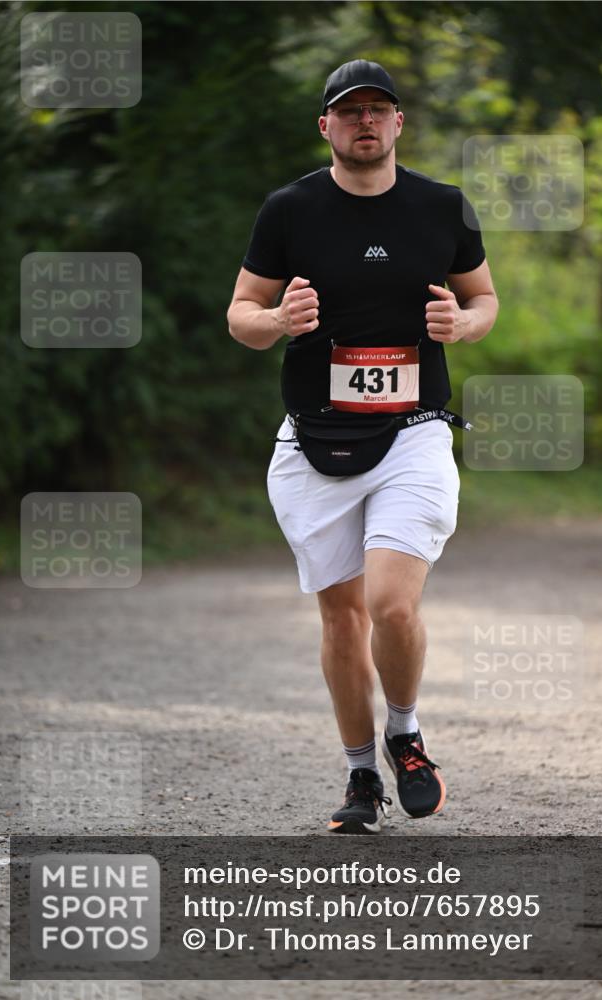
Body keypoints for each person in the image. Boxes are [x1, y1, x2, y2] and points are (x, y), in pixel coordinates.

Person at [227, 59, 498, 834]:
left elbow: (482, 298)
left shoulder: (440, 206)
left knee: (389, 602)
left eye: (379, 109)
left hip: (414, 431)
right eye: (350, 112)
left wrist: (464, 325)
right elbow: (240, 313)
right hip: (312, 436)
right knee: (341, 618)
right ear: (327, 127)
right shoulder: (289, 210)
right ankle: (358, 779)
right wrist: (276, 320)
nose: (365, 122)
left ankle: (404, 734)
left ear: (399, 123)